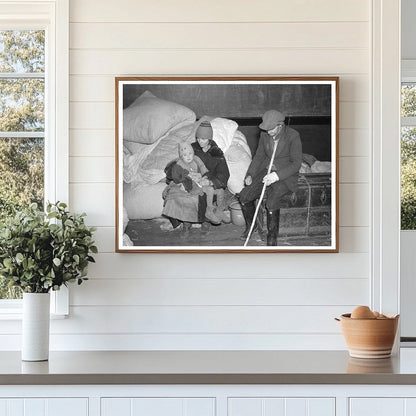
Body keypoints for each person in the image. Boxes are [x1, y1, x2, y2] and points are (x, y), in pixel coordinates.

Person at [238, 110, 302, 246]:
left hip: (285, 174)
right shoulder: (264, 135)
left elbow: (296, 164)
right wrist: (250, 174)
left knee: (272, 201)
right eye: (266, 129)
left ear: (281, 125)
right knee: (244, 196)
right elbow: (259, 156)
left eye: (271, 129)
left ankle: (272, 237)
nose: (268, 132)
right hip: (266, 169)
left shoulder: (293, 136)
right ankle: (252, 225)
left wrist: (277, 176)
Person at [191, 120, 230, 224]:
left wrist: (211, 182)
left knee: (220, 191)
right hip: (195, 180)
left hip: (209, 181)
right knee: (208, 191)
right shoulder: (193, 149)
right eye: (198, 138)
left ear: (209, 139)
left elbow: (224, 173)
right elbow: (184, 162)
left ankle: (218, 210)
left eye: (203, 139)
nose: (200, 141)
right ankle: (209, 211)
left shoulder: (216, 153)